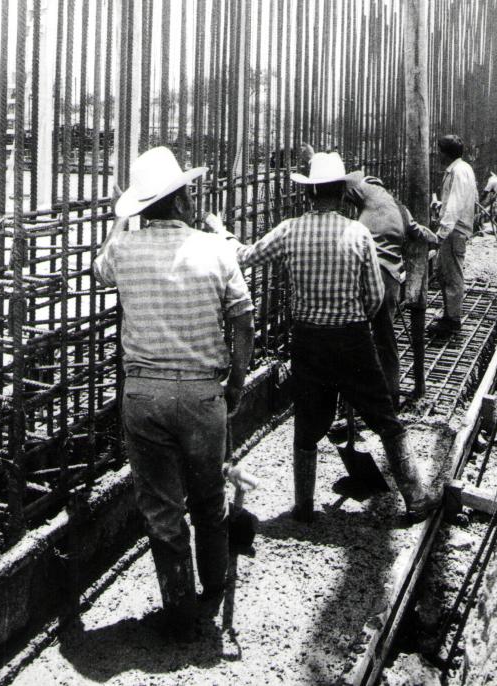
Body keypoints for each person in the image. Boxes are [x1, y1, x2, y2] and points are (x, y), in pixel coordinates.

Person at [205, 151, 437, 524]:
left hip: (308, 340)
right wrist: (353, 314)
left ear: (309, 194)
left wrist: (222, 232)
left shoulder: (290, 230)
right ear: (342, 194)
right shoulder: (358, 233)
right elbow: (376, 296)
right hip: (352, 338)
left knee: (308, 423)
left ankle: (303, 506)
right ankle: (416, 497)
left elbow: (244, 257)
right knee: (384, 417)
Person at [93, 146, 255, 639]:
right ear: (183, 199)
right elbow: (244, 319)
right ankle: (214, 586)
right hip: (203, 394)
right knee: (208, 499)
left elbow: (98, 270)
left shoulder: (123, 250)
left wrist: (122, 218)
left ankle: (180, 610)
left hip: (143, 394)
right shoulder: (215, 248)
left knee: (162, 508)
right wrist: (237, 381)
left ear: (142, 206)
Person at [344, 173, 438, 409]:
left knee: (352, 335)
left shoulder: (368, 192)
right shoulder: (402, 210)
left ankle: (351, 402)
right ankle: (391, 397)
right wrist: (437, 237)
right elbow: (422, 232)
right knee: (385, 339)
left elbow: (345, 182)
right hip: (389, 280)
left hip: (361, 271)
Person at [432, 135, 478, 335]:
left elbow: (456, 204)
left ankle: (452, 320)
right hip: (457, 228)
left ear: (446, 152)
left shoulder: (457, 172)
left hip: (454, 230)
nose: (437, 155)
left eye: (439, 150)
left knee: (451, 275)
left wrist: (441, 233)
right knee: (446, 272)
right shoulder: (463, 168)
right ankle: (449, 315)